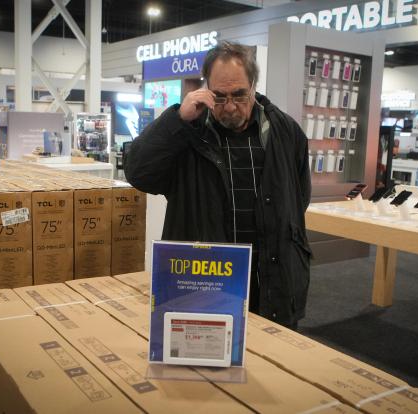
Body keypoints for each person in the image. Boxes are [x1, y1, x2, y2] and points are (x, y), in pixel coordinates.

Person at [125, 41, 311, 329]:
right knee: (205, 363)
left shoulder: (285, 131)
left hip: (272, 275)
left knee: (272, 363)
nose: (231, 107)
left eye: (239, 95)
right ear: (206, 89)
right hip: (206, 279)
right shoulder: (188, 133)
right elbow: (138, 172)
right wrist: (177, 120)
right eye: (220, 97)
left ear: (254, 86)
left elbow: (299, 197)